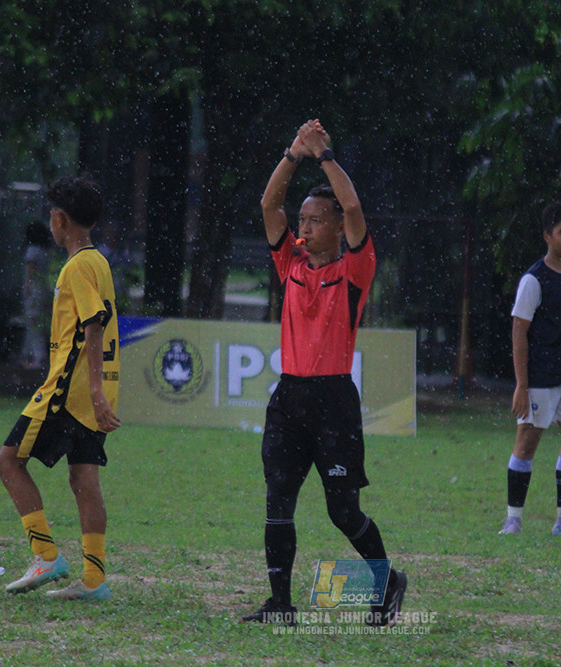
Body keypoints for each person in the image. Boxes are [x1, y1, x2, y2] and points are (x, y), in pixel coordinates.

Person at [242, 120, 407, 627]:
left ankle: (386, 582)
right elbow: (270, 205)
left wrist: (326, 157)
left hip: (334, 401)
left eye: (315, 221)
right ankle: (279, 604)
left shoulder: (356, 268)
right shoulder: (289, 262)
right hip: (289, 398)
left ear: (338, 228)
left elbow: (354, 207)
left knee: (343, 512)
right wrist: (293, 154)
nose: (303, 228)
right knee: (278, 501)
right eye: (303, 220)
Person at [0, 175, 121, 601]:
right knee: (84, 480)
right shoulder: (98, 261)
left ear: (59, 219)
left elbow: (93, 324)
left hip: (67, 392)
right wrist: (102, 391)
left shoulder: (77, 266)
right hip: (89, 392)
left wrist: (96, 391)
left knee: (8, 462)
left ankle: (46, 556)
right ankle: (94, 578)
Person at [499, 200, 561, 539]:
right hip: (540, 376)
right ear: (547, 236)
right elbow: (519, 330)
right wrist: (521, 385)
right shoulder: (533, 279)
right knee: (527, 441)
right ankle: (513, 519)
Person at [19, 221, 53, 370]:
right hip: (43, 289)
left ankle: (39, 357)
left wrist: (27, 287)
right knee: (35, 323)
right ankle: (27, 354)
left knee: (33, 323)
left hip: (34, 290)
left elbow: (30, 271)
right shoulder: (45, 252)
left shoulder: (32, 250)